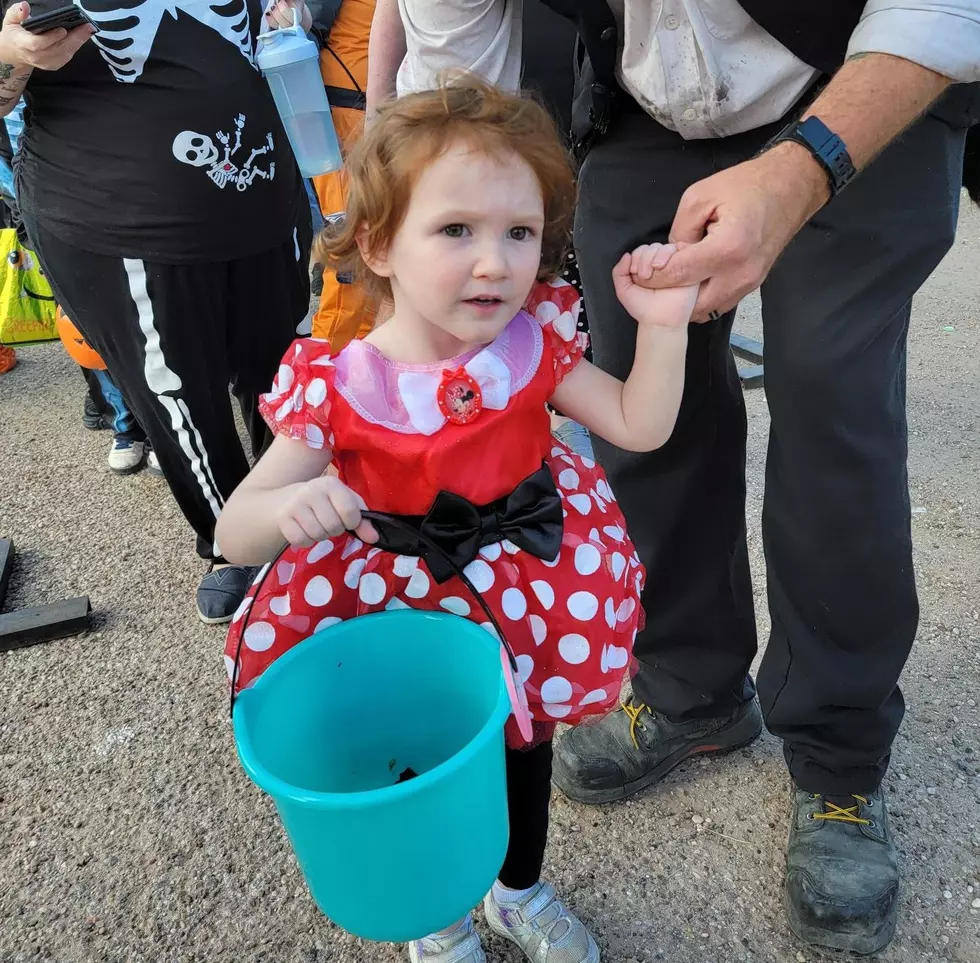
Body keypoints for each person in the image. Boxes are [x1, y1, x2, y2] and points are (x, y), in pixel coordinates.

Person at [367, 0, 980, 955]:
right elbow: (461, 91)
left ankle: (839, 756)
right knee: (637, 395)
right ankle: (694, 689)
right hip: (647, 109)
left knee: (833, 402)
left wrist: (803, 167)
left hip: (859, 77)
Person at [217, 80, 700, 963]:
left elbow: (638, 422)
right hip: (398, 606)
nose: (496, 262)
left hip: (525, 585)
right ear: (379, 243)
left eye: (519, 232)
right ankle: (435, 918)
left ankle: (517, 890)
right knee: (419, 762)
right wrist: (288, 508)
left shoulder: (533, 346)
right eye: (456, 230)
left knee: (525, 751)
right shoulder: (341, 387)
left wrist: (663, 329)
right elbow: (233, 530)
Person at [0, 0, 312, 623]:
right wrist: (10, 58)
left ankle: (297, 519)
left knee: (285, 373)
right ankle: (233, 543)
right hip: (122, 218)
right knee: (179, 395)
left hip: (263, 190)